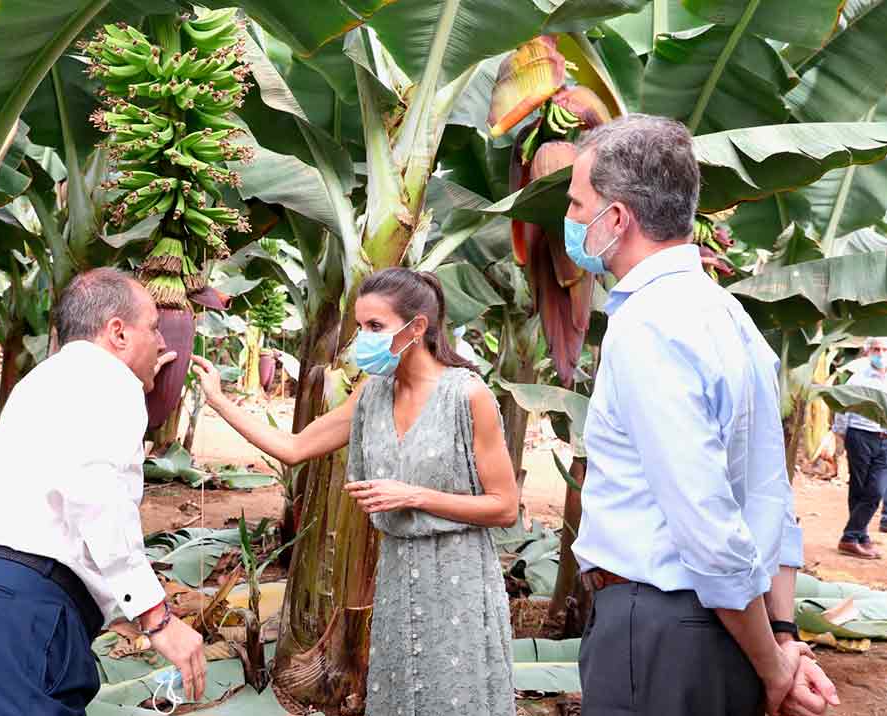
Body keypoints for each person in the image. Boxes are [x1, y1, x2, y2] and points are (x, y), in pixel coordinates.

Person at [564, 115, 839, 716]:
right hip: (728, 629)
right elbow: (769, 492)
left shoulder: (647, 326)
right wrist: (783, 635)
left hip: (658, 632)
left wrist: (773, 669)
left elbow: (706, 524)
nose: (572, 220)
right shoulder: (728, 315)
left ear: (616, 220)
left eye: (577, 204)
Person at [189, 267, 520, 716]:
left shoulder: (467, 396)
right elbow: (294, 447)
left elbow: (504, 507)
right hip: (398, 576)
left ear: (417, 328)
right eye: (361, 326)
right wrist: (219, 400)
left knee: (455, 698)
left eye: (375, 327)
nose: (362, 338)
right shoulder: (371, 394)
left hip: (458, 579)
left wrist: (413, 496)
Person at [0, 268, 206, 715]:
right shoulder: (108, 382)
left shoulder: (44, 382)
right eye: (154, 329)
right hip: (16, 619)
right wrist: (156, 617)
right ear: (118, 333)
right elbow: (96, 493)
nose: (164, 344)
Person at [831, 336, 887, 558]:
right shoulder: (858, 379)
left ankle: (850, 536)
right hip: (861, 435)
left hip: (884, 438)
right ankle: (860, 537)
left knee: (876, 489)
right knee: (858, 487)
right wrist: (842, 435)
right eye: (876, 349)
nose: (880, 353)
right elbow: (843, 407)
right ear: (867, 351)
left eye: (884, 349)